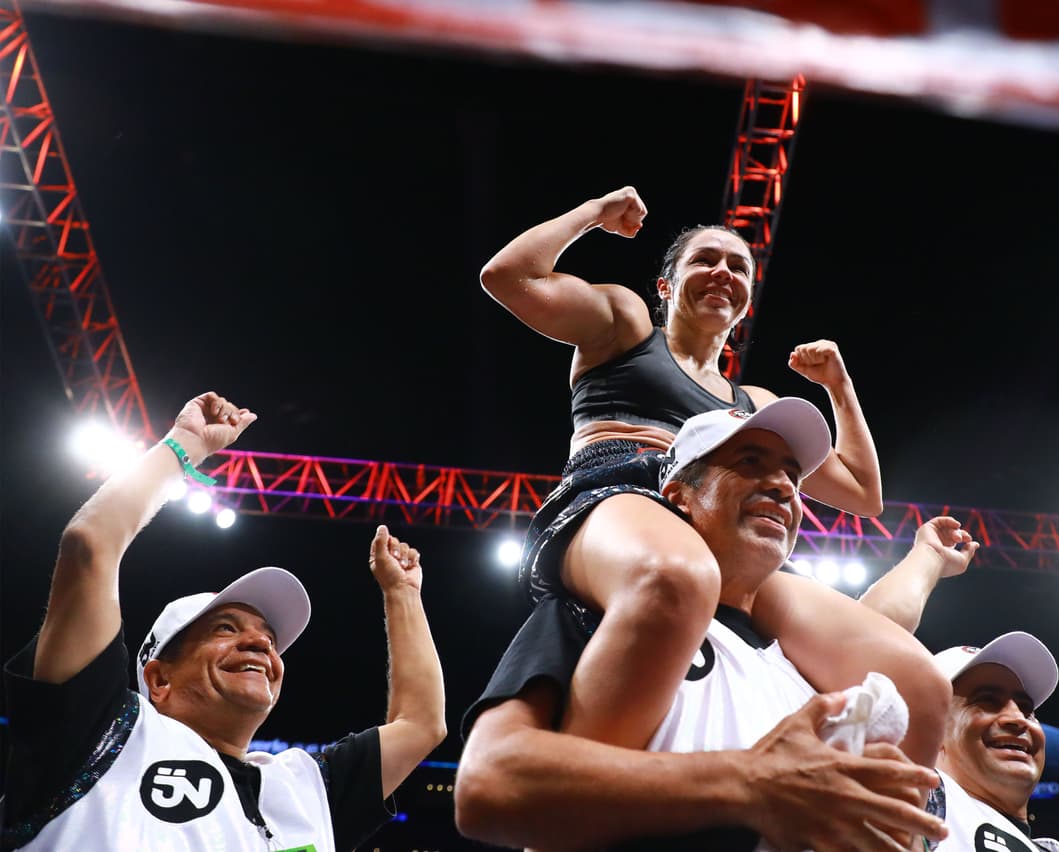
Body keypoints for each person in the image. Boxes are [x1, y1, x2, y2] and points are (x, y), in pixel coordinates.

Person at [481, 184, 959, 764]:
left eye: (737, 265)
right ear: (665, 286)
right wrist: (592, 215)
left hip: (723, 528)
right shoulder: (626, 327)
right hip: (623, 494)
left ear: (747, 297)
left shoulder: (751, 402)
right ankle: (580, 797)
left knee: (916, 683)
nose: (722, 271)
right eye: (703, 259)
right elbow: (508, 277)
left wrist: (839, 387)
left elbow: (863, 494)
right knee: (676, 575)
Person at [456, 398, 977, 850]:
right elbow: (488, 784)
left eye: (792, 476)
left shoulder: (813, 671)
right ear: (679, 495)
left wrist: (926, 559)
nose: (780, 487)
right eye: (749, 462)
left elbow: (884, 627)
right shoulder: (598, 611)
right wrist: (748, 782)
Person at [1, 391, 447, 851]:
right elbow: (89, 546)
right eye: (226, 628)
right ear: (158, 678)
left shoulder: (304, 788)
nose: (259, 642)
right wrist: (184, 446)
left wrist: (403, 594)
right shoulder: (99, 733)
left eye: (269, 638)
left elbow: (421, 725)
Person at [928, 632, 1059, 852]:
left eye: (1026, 709)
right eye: (987, 701)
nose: (1018, 719)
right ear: (933, 731)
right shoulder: (919, 806)